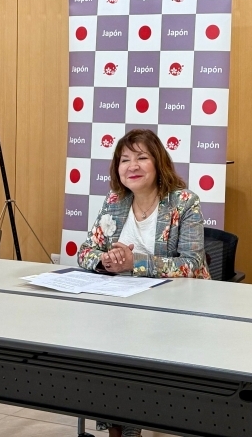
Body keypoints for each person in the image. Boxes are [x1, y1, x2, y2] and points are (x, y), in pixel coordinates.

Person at [77, 128, 211, 437]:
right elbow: (86, 252)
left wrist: (135, 263)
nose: (132, 166)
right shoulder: (115, 201)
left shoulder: (183, 202)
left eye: (141, 157)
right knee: (111, 354)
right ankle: (122, 428)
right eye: (124, 159)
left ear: (158, 162)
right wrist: (106, 261)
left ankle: (134, 426)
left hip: (176, 310)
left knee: (133, 355)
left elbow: (191, 264)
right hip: (125, 307)